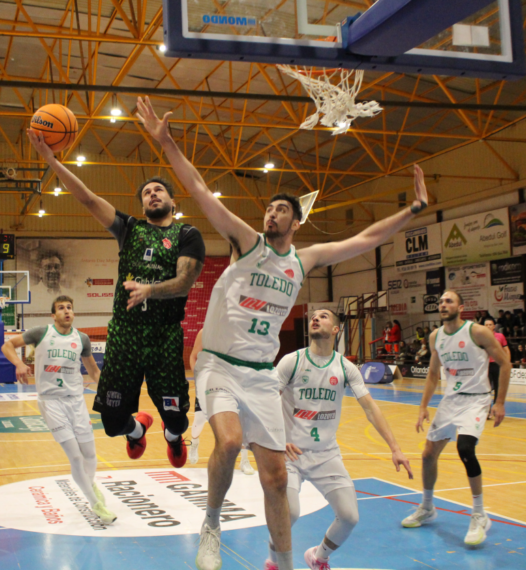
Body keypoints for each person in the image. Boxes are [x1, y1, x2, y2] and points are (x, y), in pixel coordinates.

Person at [136, 96, 428, 570]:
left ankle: (284, 562)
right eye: (268, 209)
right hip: (218, 365)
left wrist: (413, 209)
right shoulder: (247, 242)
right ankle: (210, 525)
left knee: (275, 478)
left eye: (279, 210)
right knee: (229, 442)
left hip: (259, 375)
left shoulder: (303, 260)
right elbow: (202, 191)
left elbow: (366, 239)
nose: (270, 214)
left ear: (295, 221)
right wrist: (167, 144)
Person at [27, 129, 206, 468]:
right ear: (141, 204)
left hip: (165, 336)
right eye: (147, 193)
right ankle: (137, 428)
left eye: (159, 190)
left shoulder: (186, 234)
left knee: (178, 418)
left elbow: (184, 282)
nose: (152, 195)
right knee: (111, 423)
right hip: (125, 336)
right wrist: (52, 161)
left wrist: (149, 290)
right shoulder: (130, 229)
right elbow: (88, 199)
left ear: (172, 201)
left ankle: (172, 436)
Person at [274, 309, 413, 570]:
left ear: (336, 329)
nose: (316, 318)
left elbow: (371, 408)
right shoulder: (291, 361)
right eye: (314, 316)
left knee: (349, 517)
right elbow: (267, 401)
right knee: (288, 513)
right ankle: (273, 559)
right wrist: (276, 438)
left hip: (326, 454)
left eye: (324, 316)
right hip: (289, 453)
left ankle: (319, 557)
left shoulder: (345, 367)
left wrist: (396, 448)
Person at [402, 290, 510, 546]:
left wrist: (501, 402)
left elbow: (505, 364)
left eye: (449, 301)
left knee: (465, 448)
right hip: (451, 400)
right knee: (428, 454)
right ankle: (427, 507)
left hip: (477, 399)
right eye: (440, 301)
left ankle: (479, 514)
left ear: (461, 308)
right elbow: (432, 374)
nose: (443, 304)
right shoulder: (435, 336)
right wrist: (423, 407)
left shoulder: (478, 332)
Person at [1, 296, 116, 524]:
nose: (66, 311)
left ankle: (88, 485)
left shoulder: (81, 338)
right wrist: (20, 364)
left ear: (73, 313)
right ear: (53, 315)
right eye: (61, 308)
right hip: (51, 402)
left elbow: (93, 371)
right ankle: (96, 503)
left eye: (70, 308)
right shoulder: (41, 333)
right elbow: (7, 345)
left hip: (76, 401)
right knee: (75, 456)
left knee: (90, 455)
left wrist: (109, 388)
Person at [188, 328, 254, 475]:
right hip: (207, 382)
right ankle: (194, 443)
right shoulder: (204, 332)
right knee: (199, 420)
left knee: (240, 422)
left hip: (231, 384)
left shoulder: (238, 333)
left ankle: (244, 460)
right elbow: (193, 357)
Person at [483, 317, 509, 416]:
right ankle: (487, 410)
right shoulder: (480, 337)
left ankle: (497, 408)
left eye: (490, 324)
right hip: (486, 365)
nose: (488, 326)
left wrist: (507, 362)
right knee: (486, 388)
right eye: (486, 325)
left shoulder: (500, 336)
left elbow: (506, 350)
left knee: (498, 387)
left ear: (494, 326)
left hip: (497, 364)